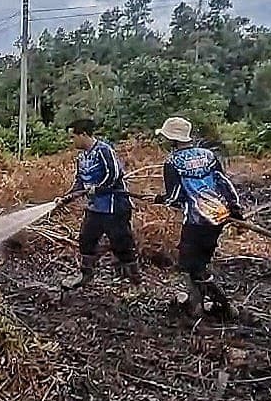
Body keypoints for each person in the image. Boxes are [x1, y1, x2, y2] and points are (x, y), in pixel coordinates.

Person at [152, 116, 243, 319]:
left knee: (192, 266)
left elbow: (175, 197)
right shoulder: (208, 155)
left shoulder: (172, 162)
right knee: (198, 263)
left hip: (196, 221)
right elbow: (223, 182)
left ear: (172, 140)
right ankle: (199, 304)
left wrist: (161, 199)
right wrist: (236, 209)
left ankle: (224, 306)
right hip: (218, 218)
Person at [56, 119, 141, 289]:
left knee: (122, 243)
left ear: (84, 135)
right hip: (95, 208)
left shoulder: (104, 150)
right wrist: (66, 198)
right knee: (86, 240)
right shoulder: (82, 158)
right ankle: (86, 275)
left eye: (73, 137)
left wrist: (99, 188)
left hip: (114, 207)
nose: (72, 141)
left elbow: (114, 174)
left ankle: (135, 281)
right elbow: (79, 183)